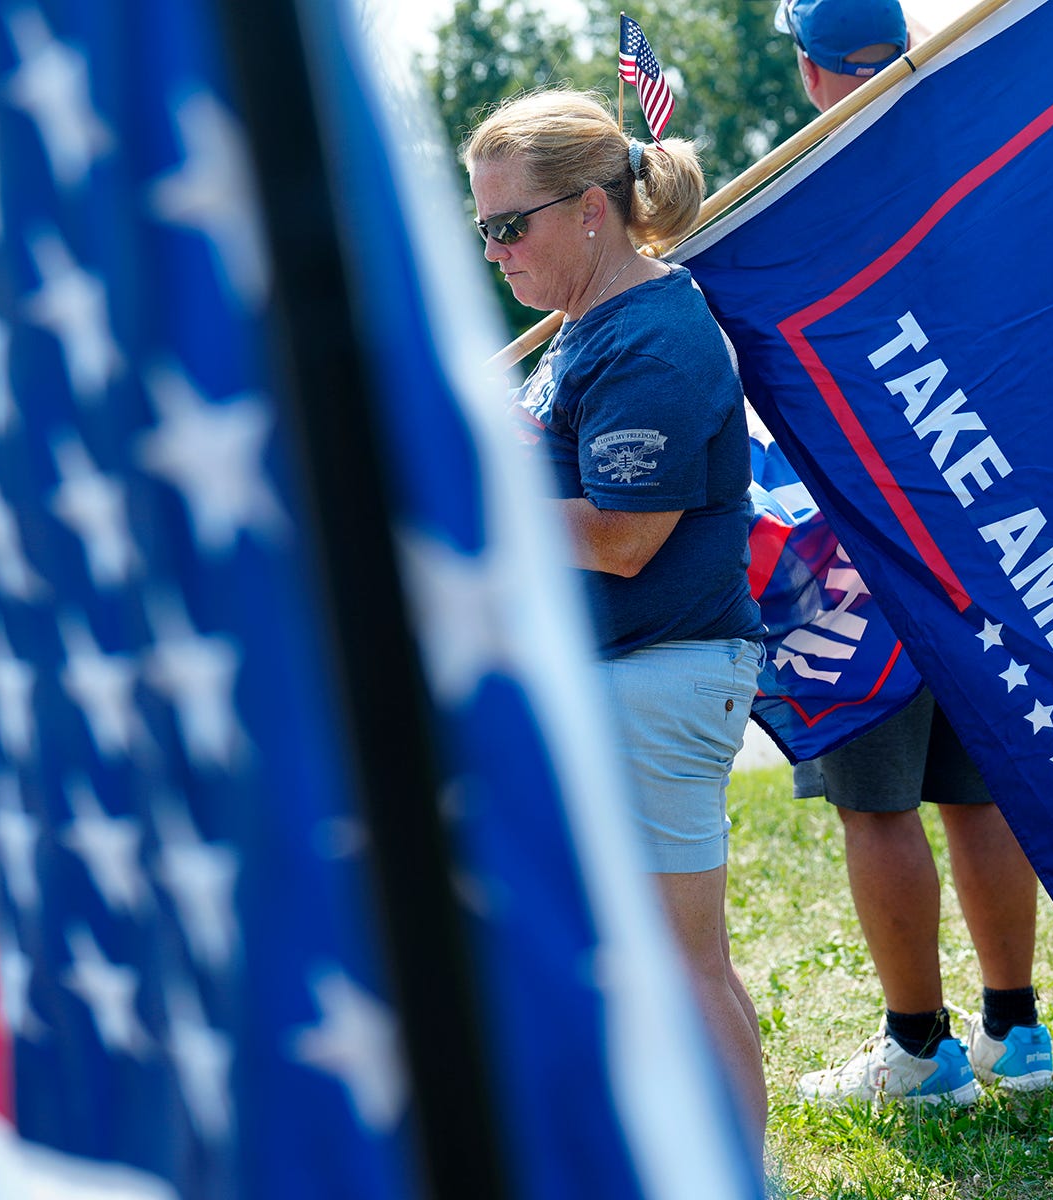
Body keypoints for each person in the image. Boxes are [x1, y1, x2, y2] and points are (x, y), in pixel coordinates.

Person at [463, 91, 771, 1159]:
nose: (498, 251)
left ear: (593, 210)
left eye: (513, 224)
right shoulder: (599, 327)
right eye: (483, 228)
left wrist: (480, 500)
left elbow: (624, 536)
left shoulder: (646, 334)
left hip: (655, 676)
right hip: (633, 674)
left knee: (681, 967)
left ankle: (732, 1171)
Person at [774, 0, 1053, 1106]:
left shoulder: (787, 200)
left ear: (808, 70)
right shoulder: (972, 159)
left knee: (876, 803)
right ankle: (1016, 1034)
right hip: (984, 533)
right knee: (977, 793)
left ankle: (918, 1047)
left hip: (862, 548)